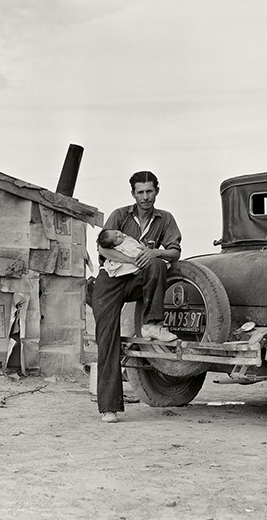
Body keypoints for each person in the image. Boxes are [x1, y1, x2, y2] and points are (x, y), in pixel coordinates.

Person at [91, 171, 182, 423]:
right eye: (140, 192)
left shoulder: (166, 219)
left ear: (157, 191)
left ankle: (153, 324)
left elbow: (174, 251)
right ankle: (109, 407)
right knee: (107, 338)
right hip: (109, 282)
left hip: (136, 281)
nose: (145, 197)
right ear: (133, 194)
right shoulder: (120, 215)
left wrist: (155, 253)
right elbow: (102, 247)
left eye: (149, 191)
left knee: (157, 264)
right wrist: (132, 259)